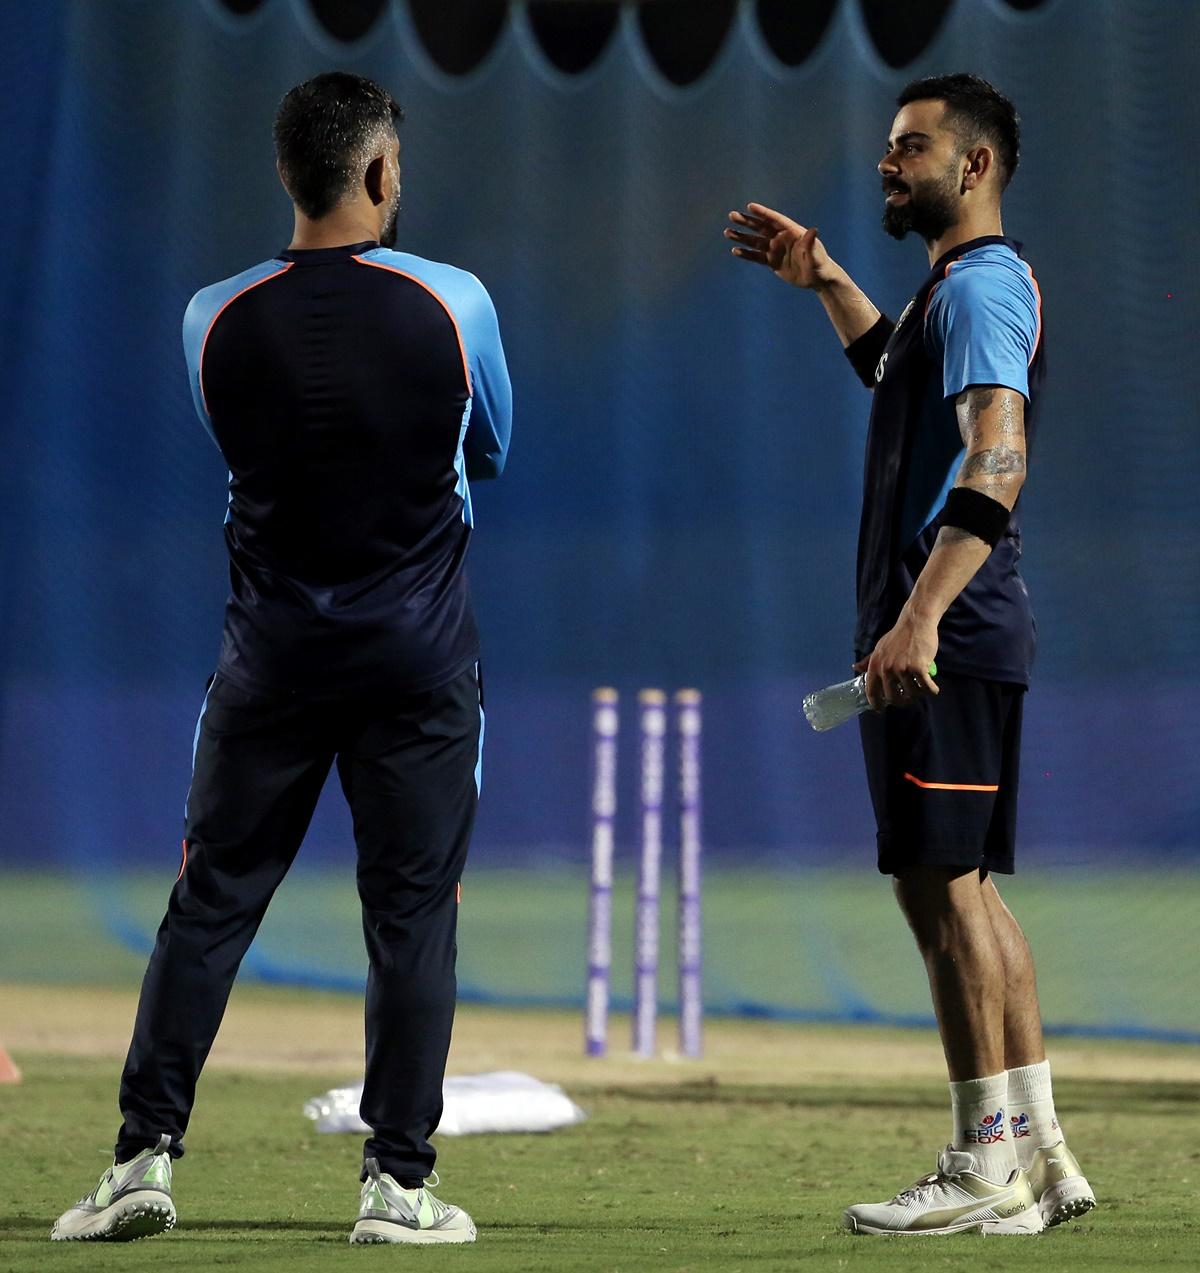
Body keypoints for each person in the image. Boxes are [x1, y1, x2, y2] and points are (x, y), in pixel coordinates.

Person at [52, 72, 511, 1246]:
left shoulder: (213, 315)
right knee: (413, 919)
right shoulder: (454, 302)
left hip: (269, 663)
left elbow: (250, 448)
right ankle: (397, 1188)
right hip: (418, 663)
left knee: (208, 907)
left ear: (283, 174)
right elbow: (489, 446)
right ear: (378, 174)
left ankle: (143, 1161)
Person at [726, 73, 1094, 1236]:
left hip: (951, 634)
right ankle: (1042, 1158)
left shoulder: (981, 288)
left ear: (973, 165)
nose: (890, 162)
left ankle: (983, 1158)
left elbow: (997, 454)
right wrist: (828, 279)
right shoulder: (957, 291)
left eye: (913, 147)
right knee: (964, 888)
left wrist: (921, 615)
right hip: (966, 633)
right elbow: (903, 380)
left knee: (937, 890)